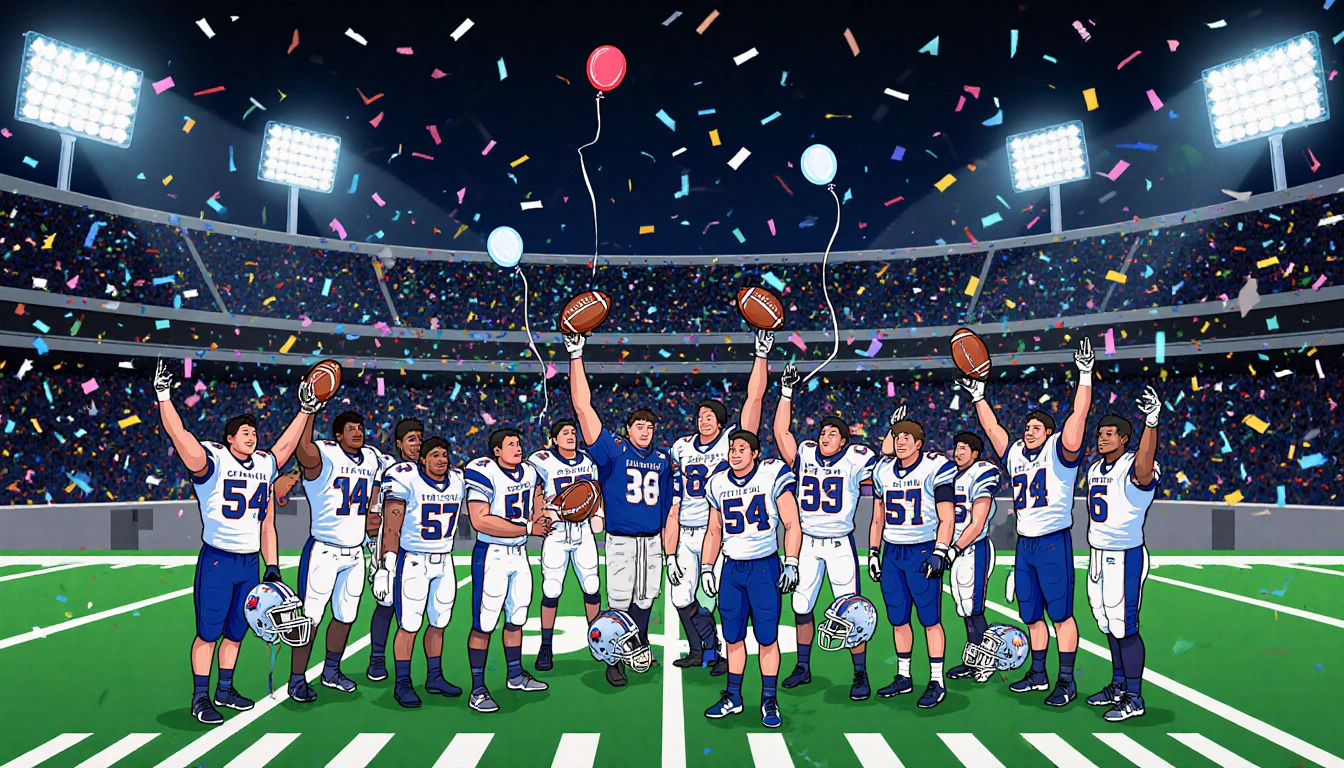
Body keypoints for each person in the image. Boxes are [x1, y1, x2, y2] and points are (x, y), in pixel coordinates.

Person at [152, 359, 314, 725]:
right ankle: (200, 697)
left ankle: (224, 689)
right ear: (229, 438)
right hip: (218, 559)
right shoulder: (213, 460)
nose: (251, 436)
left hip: (249, 562)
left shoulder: (263, 465)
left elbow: (269, 517)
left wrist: (305, 411)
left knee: (237, 632)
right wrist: (164, 397)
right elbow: (180, 436)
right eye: (244, 432)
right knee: (208, 634)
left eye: (253, 432)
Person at [959, 338, 1095, 707]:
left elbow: (1078, 416)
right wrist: (978, 396)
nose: (1029, 431)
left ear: (1049, 432)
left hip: (1053, 541)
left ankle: (1066, 680)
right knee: (1031, 615)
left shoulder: (1060, 450)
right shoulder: (1017, 453)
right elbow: (993, 430)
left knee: (1061, 616)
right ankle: (1038, 673)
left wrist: (1085, 375)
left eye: (1037, 427)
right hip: (1026, 544)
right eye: (1028, 426)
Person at [564, 332, 676, 688]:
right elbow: (583, 408)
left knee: (646, 599)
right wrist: (576, 355)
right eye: (639, 426)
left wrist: (670, 551)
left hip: (652, 541)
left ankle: (637, 648)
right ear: (628, 430)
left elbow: (668, 508)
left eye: (650, 427)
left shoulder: (663, 459)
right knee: (619, 601)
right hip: (622, 540)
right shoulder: (614, 450)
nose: (645, 431)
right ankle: (614, 659)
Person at [665, 329, 773, 675]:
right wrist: (670, 549)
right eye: (700, 415)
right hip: (686, 530)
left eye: (710, 415)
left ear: (722, 422)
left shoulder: (730, 442)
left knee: (718, 600)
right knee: (680, 597)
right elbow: (673, 497)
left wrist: (761, 356)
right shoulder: (681, 447)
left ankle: (722, 653)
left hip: (719, 532)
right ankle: (701, 649)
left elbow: (754, 401)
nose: (703, 419)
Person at [771, 363, 878, 700]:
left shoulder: (856, 459)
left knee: (851, 612)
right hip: (807, 544)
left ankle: (860, 673)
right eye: (823, 431)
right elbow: (781, 432)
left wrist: (893, 434)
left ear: (844, 441)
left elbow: (885, 467)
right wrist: (786, 393)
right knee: (801, 607)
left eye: (833, 433)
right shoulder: (804, 453)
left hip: (839, 544)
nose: (825, 436)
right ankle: (803, 666)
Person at [700, 430, 801, 728]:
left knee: (767, 638)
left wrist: (792, 562)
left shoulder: (771, 474)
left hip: (763, 568)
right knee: (732, 637)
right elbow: (714, 530)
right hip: (732, 569)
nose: (735, 453)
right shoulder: (718, 482)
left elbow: (791, 523)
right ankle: (733, 696)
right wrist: (707, 566)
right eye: (732, 448)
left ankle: (769, 699)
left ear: (755, 454)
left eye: (742, 448)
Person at [285, 410, 384, 702]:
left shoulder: (371, 458)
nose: (358, 432)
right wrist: (309, 412)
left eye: (360, 427)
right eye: (350, 428)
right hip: (324, 550)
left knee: (345, 617)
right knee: (309, 620)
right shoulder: (325, 454)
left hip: (355, 553)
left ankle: (331, 670)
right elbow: (304, 452)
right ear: (338, 435)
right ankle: (296, 679)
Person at [1084, 387, 1162, 722]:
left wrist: (1151, 422)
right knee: (1106, 623)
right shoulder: (1095, 469)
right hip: (1098, 554)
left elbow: (1144, 471)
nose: (1102, 439)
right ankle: (1118, 685)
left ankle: (1134, 696)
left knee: (1125, 627)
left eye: (1109, 434)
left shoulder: (1133, 464)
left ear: (1125, 439)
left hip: (1124, 555)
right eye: (1100, 434)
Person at [869, 416, 958, 708]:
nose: (901, 442)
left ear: (919, 443)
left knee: (930, 620)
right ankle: (904, 675)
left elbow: (947, 516)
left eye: (907, 437)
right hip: (892, 553)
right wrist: (873, 551)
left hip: (922, 551)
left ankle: (937, 680)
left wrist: (940, 550)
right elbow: (878, 517)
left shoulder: (934, 467)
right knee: (898, 620)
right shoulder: (883, 470)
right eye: (897, 437)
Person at [463, 428, 553, 713]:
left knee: (517, 618)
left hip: (519, 554)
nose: (517, 448)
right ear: (497, 451)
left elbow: (537, 501)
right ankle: (478, 689)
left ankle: (515, 675)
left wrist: (542, 515)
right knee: (484, 623)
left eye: (518, 443)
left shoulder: (529, 472)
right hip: (492, 554)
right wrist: (528, 527)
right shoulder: (484, 471)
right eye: (510, 444)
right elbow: (480, 520)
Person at [375, 436, 467, 708]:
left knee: (439, 622)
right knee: (409, 626)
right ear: (423, 459)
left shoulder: (458, 480)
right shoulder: (407, 479)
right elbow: (392, 526)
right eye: (435, 455)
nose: (442, 460)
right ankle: (402, 682)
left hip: (444, 560)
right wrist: (386, 566)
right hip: (414, 561)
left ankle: (434, 676)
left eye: (445, 455)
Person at [527, 418, 603, 671]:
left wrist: (598, 514)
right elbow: (532, 489)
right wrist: (539, 511)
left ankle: (597, 641)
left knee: (592, 586)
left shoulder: (588, 461)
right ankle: (546, 645)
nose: (570, 436)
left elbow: (595, 492)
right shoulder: (542, 460)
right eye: (565, 433)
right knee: (551, 589)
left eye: (573, 432)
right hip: (556, 532)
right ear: (554, 439)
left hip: (583, 531)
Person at [366, 418, 424, 682]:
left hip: (419, 546)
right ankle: (377, 658)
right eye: (411, 439)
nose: (418, 444)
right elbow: (374, 506)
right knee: (386, 601)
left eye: (420, 438)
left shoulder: (429, 468)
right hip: (392, 540)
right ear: (399, 443)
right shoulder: (390, 469)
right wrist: (375, 543)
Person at [943, 432, 1001, 681]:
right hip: (956, 551)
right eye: (957, 447)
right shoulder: (949, 475)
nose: (958, 452)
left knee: (974, 609)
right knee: (965, 609)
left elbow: (977, 523)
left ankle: (987, 661)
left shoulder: (981, 472)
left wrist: (953, 549)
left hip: (973, 549)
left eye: (964, 448)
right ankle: (973, 660)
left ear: (975, 454)